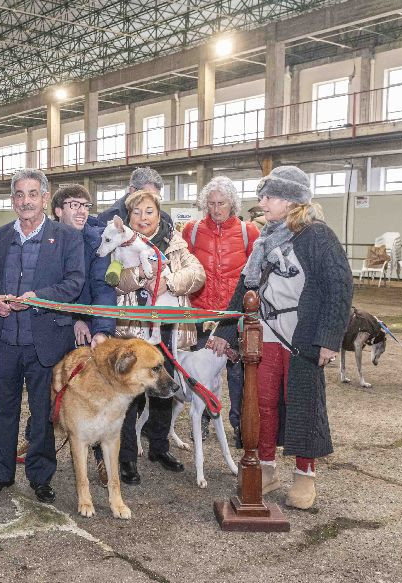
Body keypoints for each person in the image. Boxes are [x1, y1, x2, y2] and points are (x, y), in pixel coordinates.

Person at [209, 166, 353, 510]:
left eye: (269, 197)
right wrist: (225, 331)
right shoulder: (265, 239)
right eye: (262, 196)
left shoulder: (318, 236)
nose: (262, 203)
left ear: (290, 201)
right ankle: (267, 468)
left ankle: (305, 475)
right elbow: (246, 287)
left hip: (302, 335)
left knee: (303, 402)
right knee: (261, 402)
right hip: (265, 333)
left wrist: (329, 339)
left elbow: (340, 287)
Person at [0, 169, 85, 503]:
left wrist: (40, 298)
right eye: (20, 195)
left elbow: (74, 282)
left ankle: (40, 477)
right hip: (6, 341)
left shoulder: (66, 237)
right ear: (13, 200)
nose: (26, 201)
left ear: (44, 198)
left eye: (32, 194)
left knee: (43, 414)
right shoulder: (1, 235)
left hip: (46, 343)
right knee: (3, 410)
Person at [112, 188, 205, 485]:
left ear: (158, 213)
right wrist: (141, 274)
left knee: (164, 389)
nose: (143, 217)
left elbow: (198, 274)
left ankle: (159, 447)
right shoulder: (119, 243)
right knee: (129, 393)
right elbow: (114, 280)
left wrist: (169, 282)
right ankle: (126, 456)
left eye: (149, 211)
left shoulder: (175, 243)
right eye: (136, 212)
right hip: (132, 329)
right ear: (129, 216)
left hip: (167, 328)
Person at [181, 176, 260, 447]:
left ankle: (240, 425)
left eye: (222, 203)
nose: (216, 209)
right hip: (202, 315)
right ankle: (202, 420)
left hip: (235, 316)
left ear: (232, 204)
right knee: (203, 375)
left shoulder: (249, 232)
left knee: (238, 375)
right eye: (212, 203)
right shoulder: (192, 231)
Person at [51, 184, 116, 484]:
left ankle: (100, 458)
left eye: (85, 205)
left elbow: (103, 288)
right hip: (57, 323)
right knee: (49, 384)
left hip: (90, 325)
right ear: (58, 211)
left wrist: (100, 329)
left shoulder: (98, 241)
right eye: (74, 204)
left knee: (97, 392)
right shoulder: (48, 239)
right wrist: (74, 318)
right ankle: (38, 440)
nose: (81, 211)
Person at [97, 166, 163, 224]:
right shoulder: (108, 218)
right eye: (148, 196)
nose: (152, 202)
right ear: (132, 191)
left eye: (156, 198)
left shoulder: (163, 218)